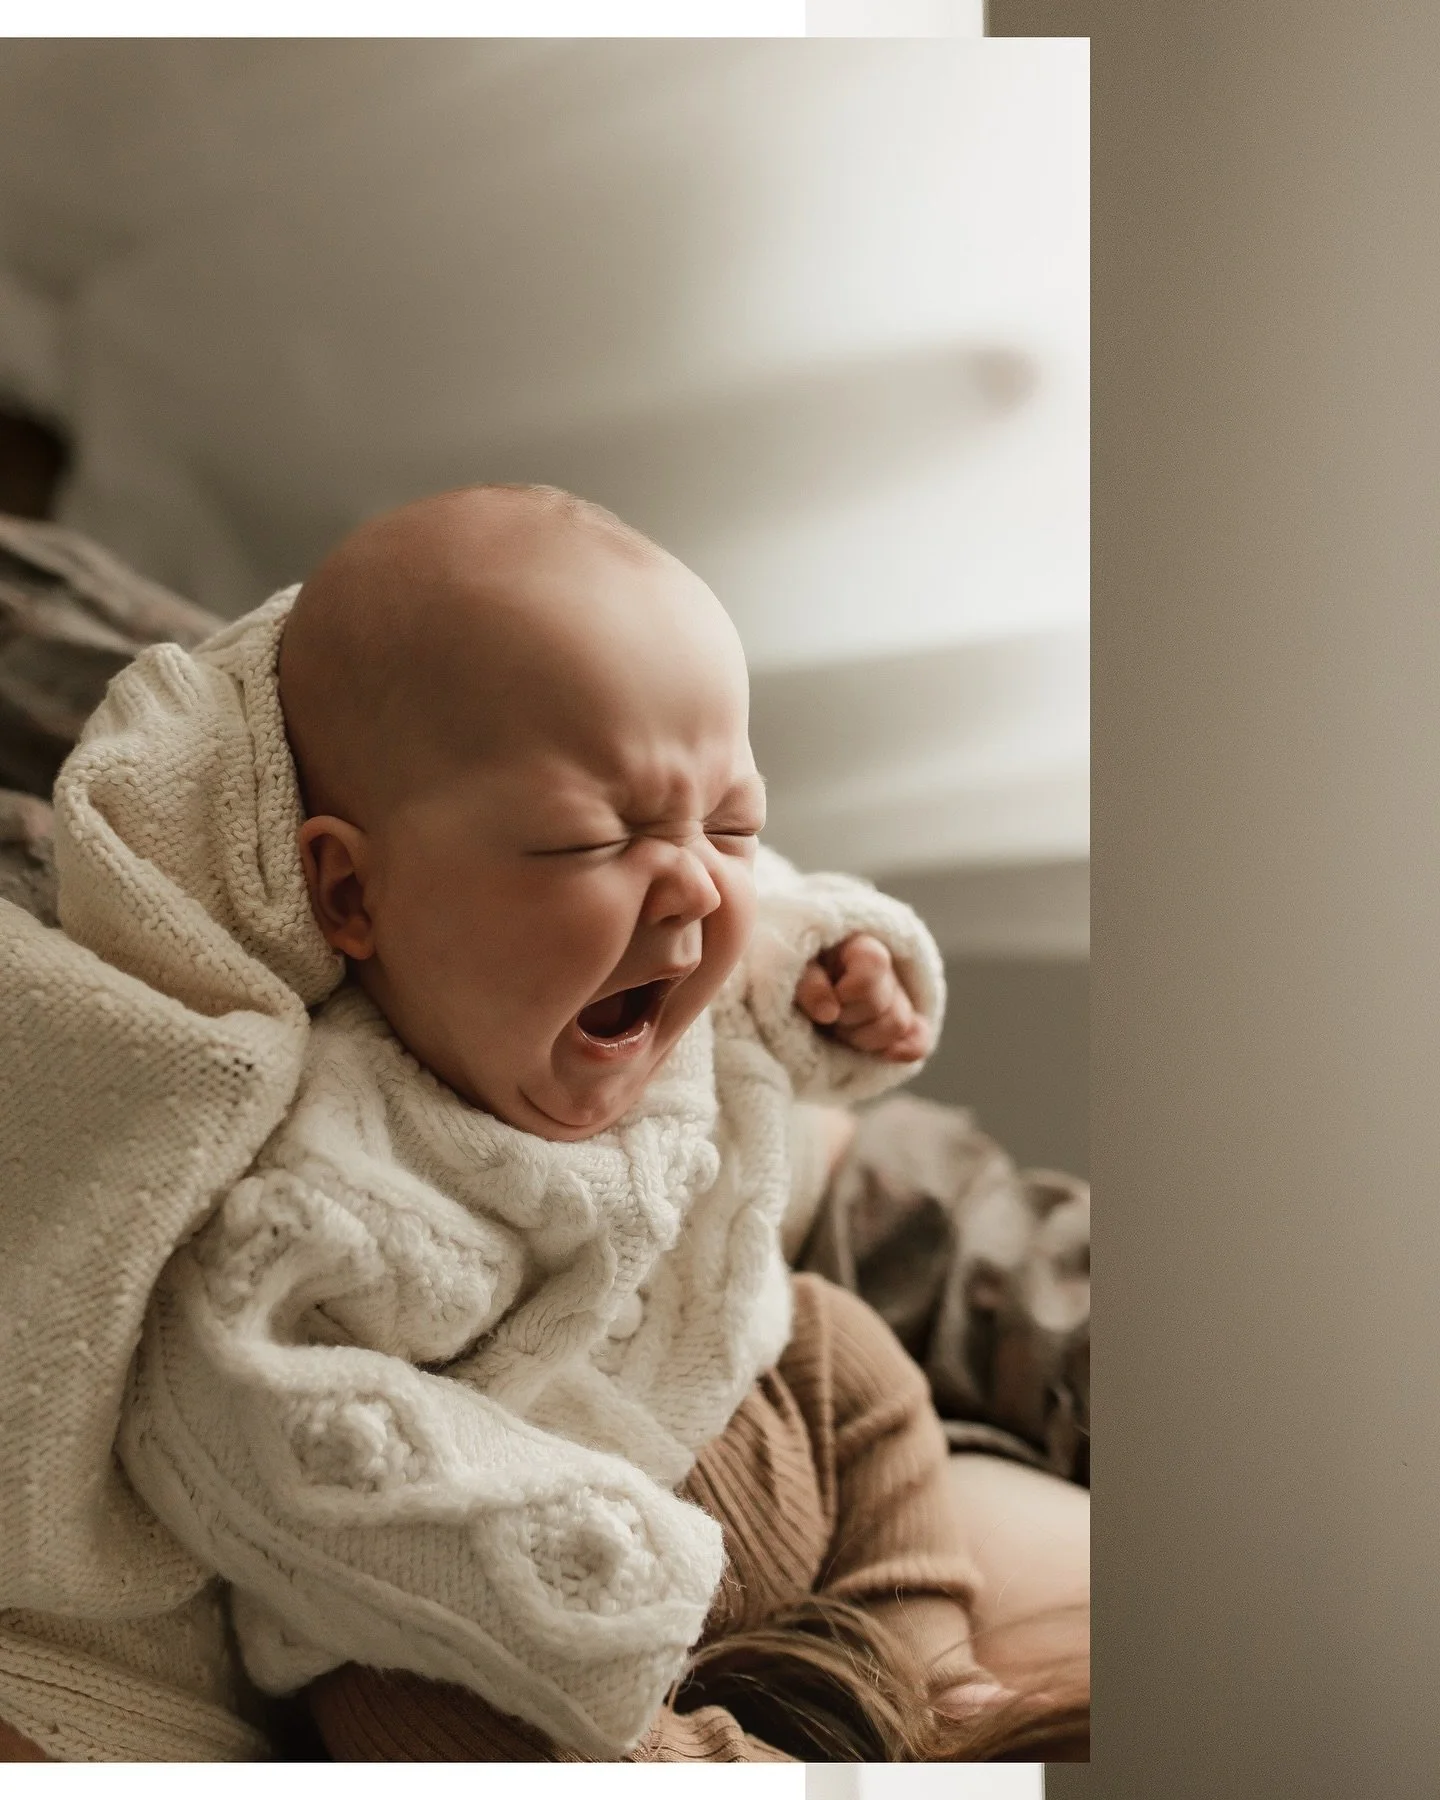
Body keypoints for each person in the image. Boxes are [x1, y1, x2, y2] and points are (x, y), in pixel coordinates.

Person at [0, 484, 1087, 1760]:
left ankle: (925, 1652)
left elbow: (757, 961)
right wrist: (563, 1575)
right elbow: (253, 1420)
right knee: (408, 1693)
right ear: (348, 890)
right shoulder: (340, 1168)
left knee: (850, 1355)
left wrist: (834, 970)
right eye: (594, 840)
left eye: (733, 822)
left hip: (730, 1415)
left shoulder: (623, 976)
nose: (695, 881)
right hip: (506, 1589)